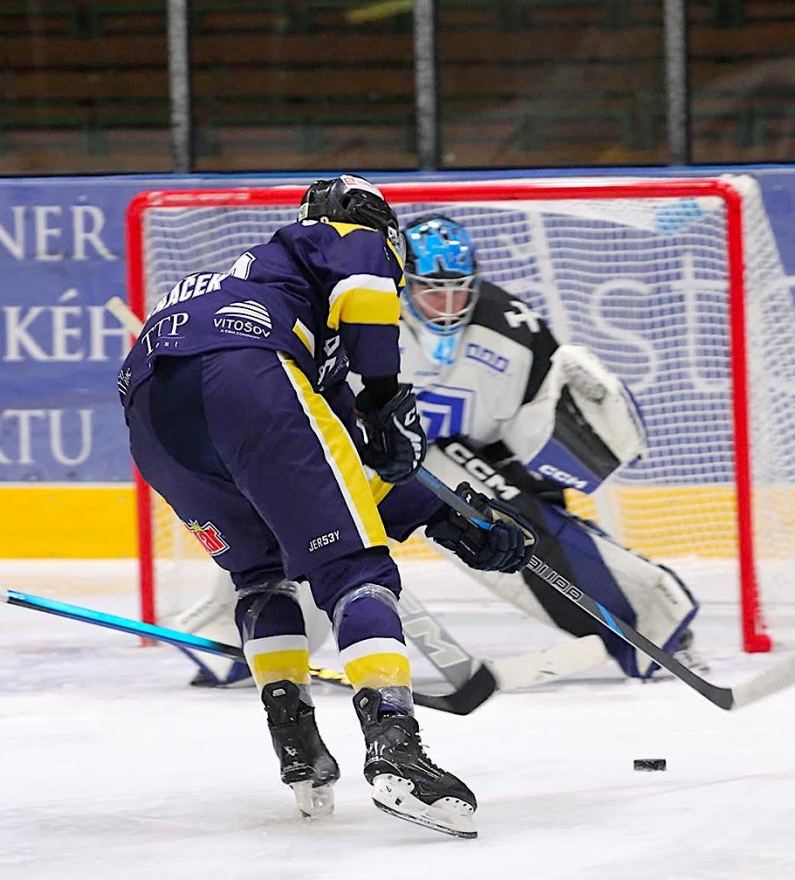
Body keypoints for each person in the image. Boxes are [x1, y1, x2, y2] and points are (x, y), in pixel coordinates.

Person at [118, 175, 537, 839]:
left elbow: (343, 467)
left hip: (152, 419)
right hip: (248, 372)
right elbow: (365, 290)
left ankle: (297, 745)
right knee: (355, 569)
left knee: (262, 575)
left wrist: (448, 518)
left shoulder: (268, 292)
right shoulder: (339, 239)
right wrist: (386, 393)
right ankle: (395, 746)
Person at [172, 214, 701, 686]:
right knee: (307, 529)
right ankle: (233, 640)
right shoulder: (354, 316)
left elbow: (534, 437)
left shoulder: (513, 331)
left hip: (460, 466)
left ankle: (654, 621)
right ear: (405, 286)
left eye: (458, 291)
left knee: (508, 527)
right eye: (431, 291)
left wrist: (565, 457)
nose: (446, 306)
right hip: (353, 455)